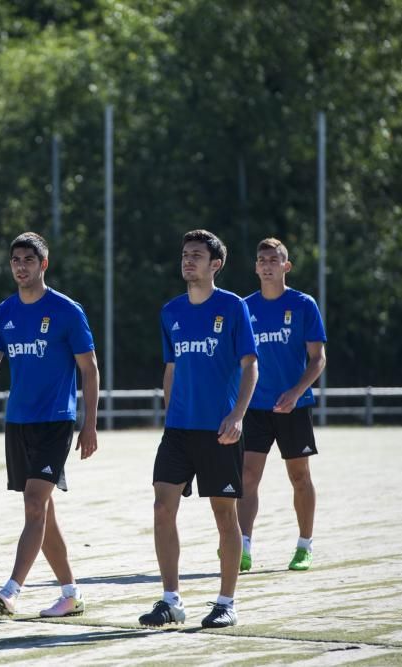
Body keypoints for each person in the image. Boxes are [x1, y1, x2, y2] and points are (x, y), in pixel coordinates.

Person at [0, 231, 100, 618]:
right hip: (18, 422)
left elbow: (90, 369)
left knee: (35, 504)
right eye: (16, 260)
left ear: (43, 265)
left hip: (56, 421)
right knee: (41, 511)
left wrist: (90, 425)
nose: (21, 267)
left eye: (28, 260)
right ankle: (71, 594)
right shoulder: (4, 312)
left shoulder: (67, 311)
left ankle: (12, 589)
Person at [139, 229, 257, 630]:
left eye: (197, 256)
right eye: (185, 254)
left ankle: (226, 602)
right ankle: (171, 600)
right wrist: (169, 413)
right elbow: (171, 368)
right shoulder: (170, 311)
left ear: (215, 265)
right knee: (161, 507)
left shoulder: (234, 307)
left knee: (225, 516)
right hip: (178, 430)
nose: (188, 261)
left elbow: (250, 367)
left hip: (219, 430)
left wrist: (238, 415)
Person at [238, 238, 327, 572]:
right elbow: (237, 360)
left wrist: (295, 391)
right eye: (262, 259)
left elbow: (318, 359)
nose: (267, 264)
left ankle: (305, 545)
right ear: (256, 266)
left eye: (274, 259)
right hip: (255, 407)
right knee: (247, 477)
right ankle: (243, 546)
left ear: (286, 266)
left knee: (299, 476)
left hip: (294, 405)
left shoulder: (303, 305)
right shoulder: (244, 307)